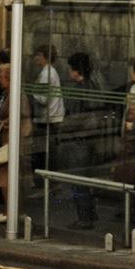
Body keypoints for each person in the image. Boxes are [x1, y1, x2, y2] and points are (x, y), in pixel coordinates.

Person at [0, 63, 32, 224]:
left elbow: (18, 118)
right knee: (7, 177)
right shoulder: (10, 94)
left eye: (1, 77)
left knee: (6, 179)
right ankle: (13, 210)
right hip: (9, 141)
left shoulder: (16, 96)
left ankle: (9, 211)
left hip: (12, 142)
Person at [59, 52, 100, 229]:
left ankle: (84, 218)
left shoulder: (77, 90)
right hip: (92, 140)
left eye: (70, 68)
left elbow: (72, 118)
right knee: (86, 179)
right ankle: (90, 214)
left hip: (79, 140)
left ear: (76, 71)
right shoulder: (94, 85)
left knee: (78, 180)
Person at [30, 44, 64, 171]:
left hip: (47, 118)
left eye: (39, 55)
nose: (36, 58)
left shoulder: (46, 74)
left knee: (44, 152)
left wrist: (33, 93)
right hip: (51, 116)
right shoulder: (50, 72)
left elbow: (44, 99)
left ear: (45, 57)